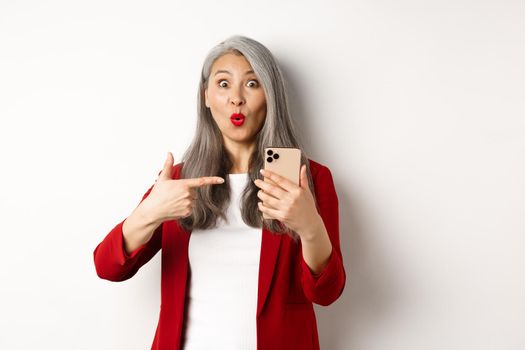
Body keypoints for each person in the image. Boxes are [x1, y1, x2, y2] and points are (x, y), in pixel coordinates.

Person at [93, 35, 346, 350]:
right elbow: (108, 267)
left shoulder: (305, 179)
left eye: (252, 84)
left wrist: (310, 227)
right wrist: (148, 213)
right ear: (206, 96)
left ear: (270, 96)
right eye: (223, 84)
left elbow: (326, 293)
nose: (236, 98)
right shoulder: (178, 181)